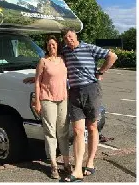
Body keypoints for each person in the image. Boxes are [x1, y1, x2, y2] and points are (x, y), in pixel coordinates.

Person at [60, 28, 117, 182]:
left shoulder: (89, 47)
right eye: (65, 38)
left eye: (70, 36)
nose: (68, 40)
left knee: (92, 127)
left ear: (75, 35)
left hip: (91, 89)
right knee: (78, 130)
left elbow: (112, 56)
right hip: (74, 92)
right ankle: (78, 169)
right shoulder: (64, 51)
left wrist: (101, 72)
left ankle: (90, 162)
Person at [33, 35, 70, 179]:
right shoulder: (43, 61)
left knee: (63, 132)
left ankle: (66, 163)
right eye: (49, 45)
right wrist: (37, 101)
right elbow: (37, 82)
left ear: (57, 46)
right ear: (46, 47)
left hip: (63, 99)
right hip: (47, 99)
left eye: (53, 45)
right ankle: (53, 165)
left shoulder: (63, 60)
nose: (51, 47)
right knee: (50, 132)